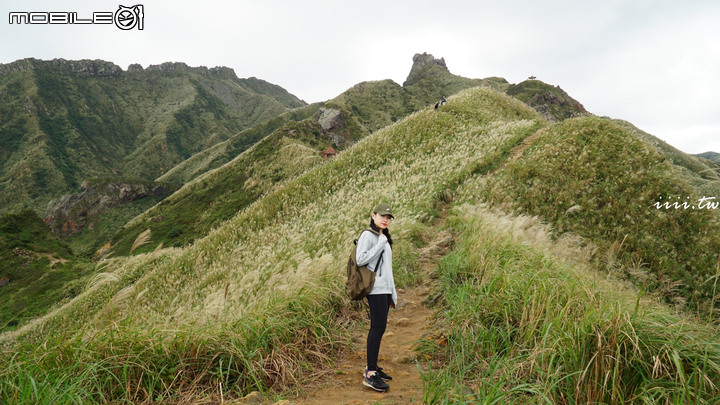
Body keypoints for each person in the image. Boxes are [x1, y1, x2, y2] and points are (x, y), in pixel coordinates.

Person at [355, 203, 397, 392]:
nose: (385, 219)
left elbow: (387, 269)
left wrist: (392, 292)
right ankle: (370, 373)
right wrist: (380, 244)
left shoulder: (383, 238)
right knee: (376, 328)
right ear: (373, 215)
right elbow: (361, 259)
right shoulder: (368, 236)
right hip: (375, 289)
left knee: (380, 328)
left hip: (384, 289)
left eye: (388, 217)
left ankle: (373, 367)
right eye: (382, 216)